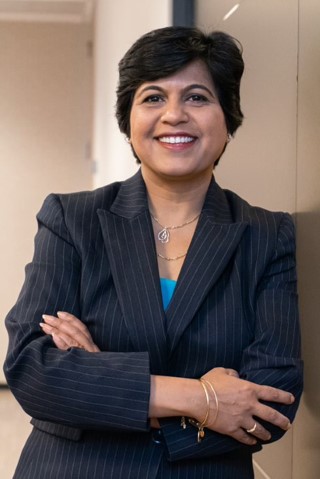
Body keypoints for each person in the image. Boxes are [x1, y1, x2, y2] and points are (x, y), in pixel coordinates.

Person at [4, 26, 303, 478]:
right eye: (153, 98)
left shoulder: (268, 234)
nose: (174, 115)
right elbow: (32, 369)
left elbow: (271, 400)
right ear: (128, 120)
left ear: (229, 120)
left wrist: (101, 380)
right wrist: (201, 399)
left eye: (198, 97)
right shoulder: (72, 218)